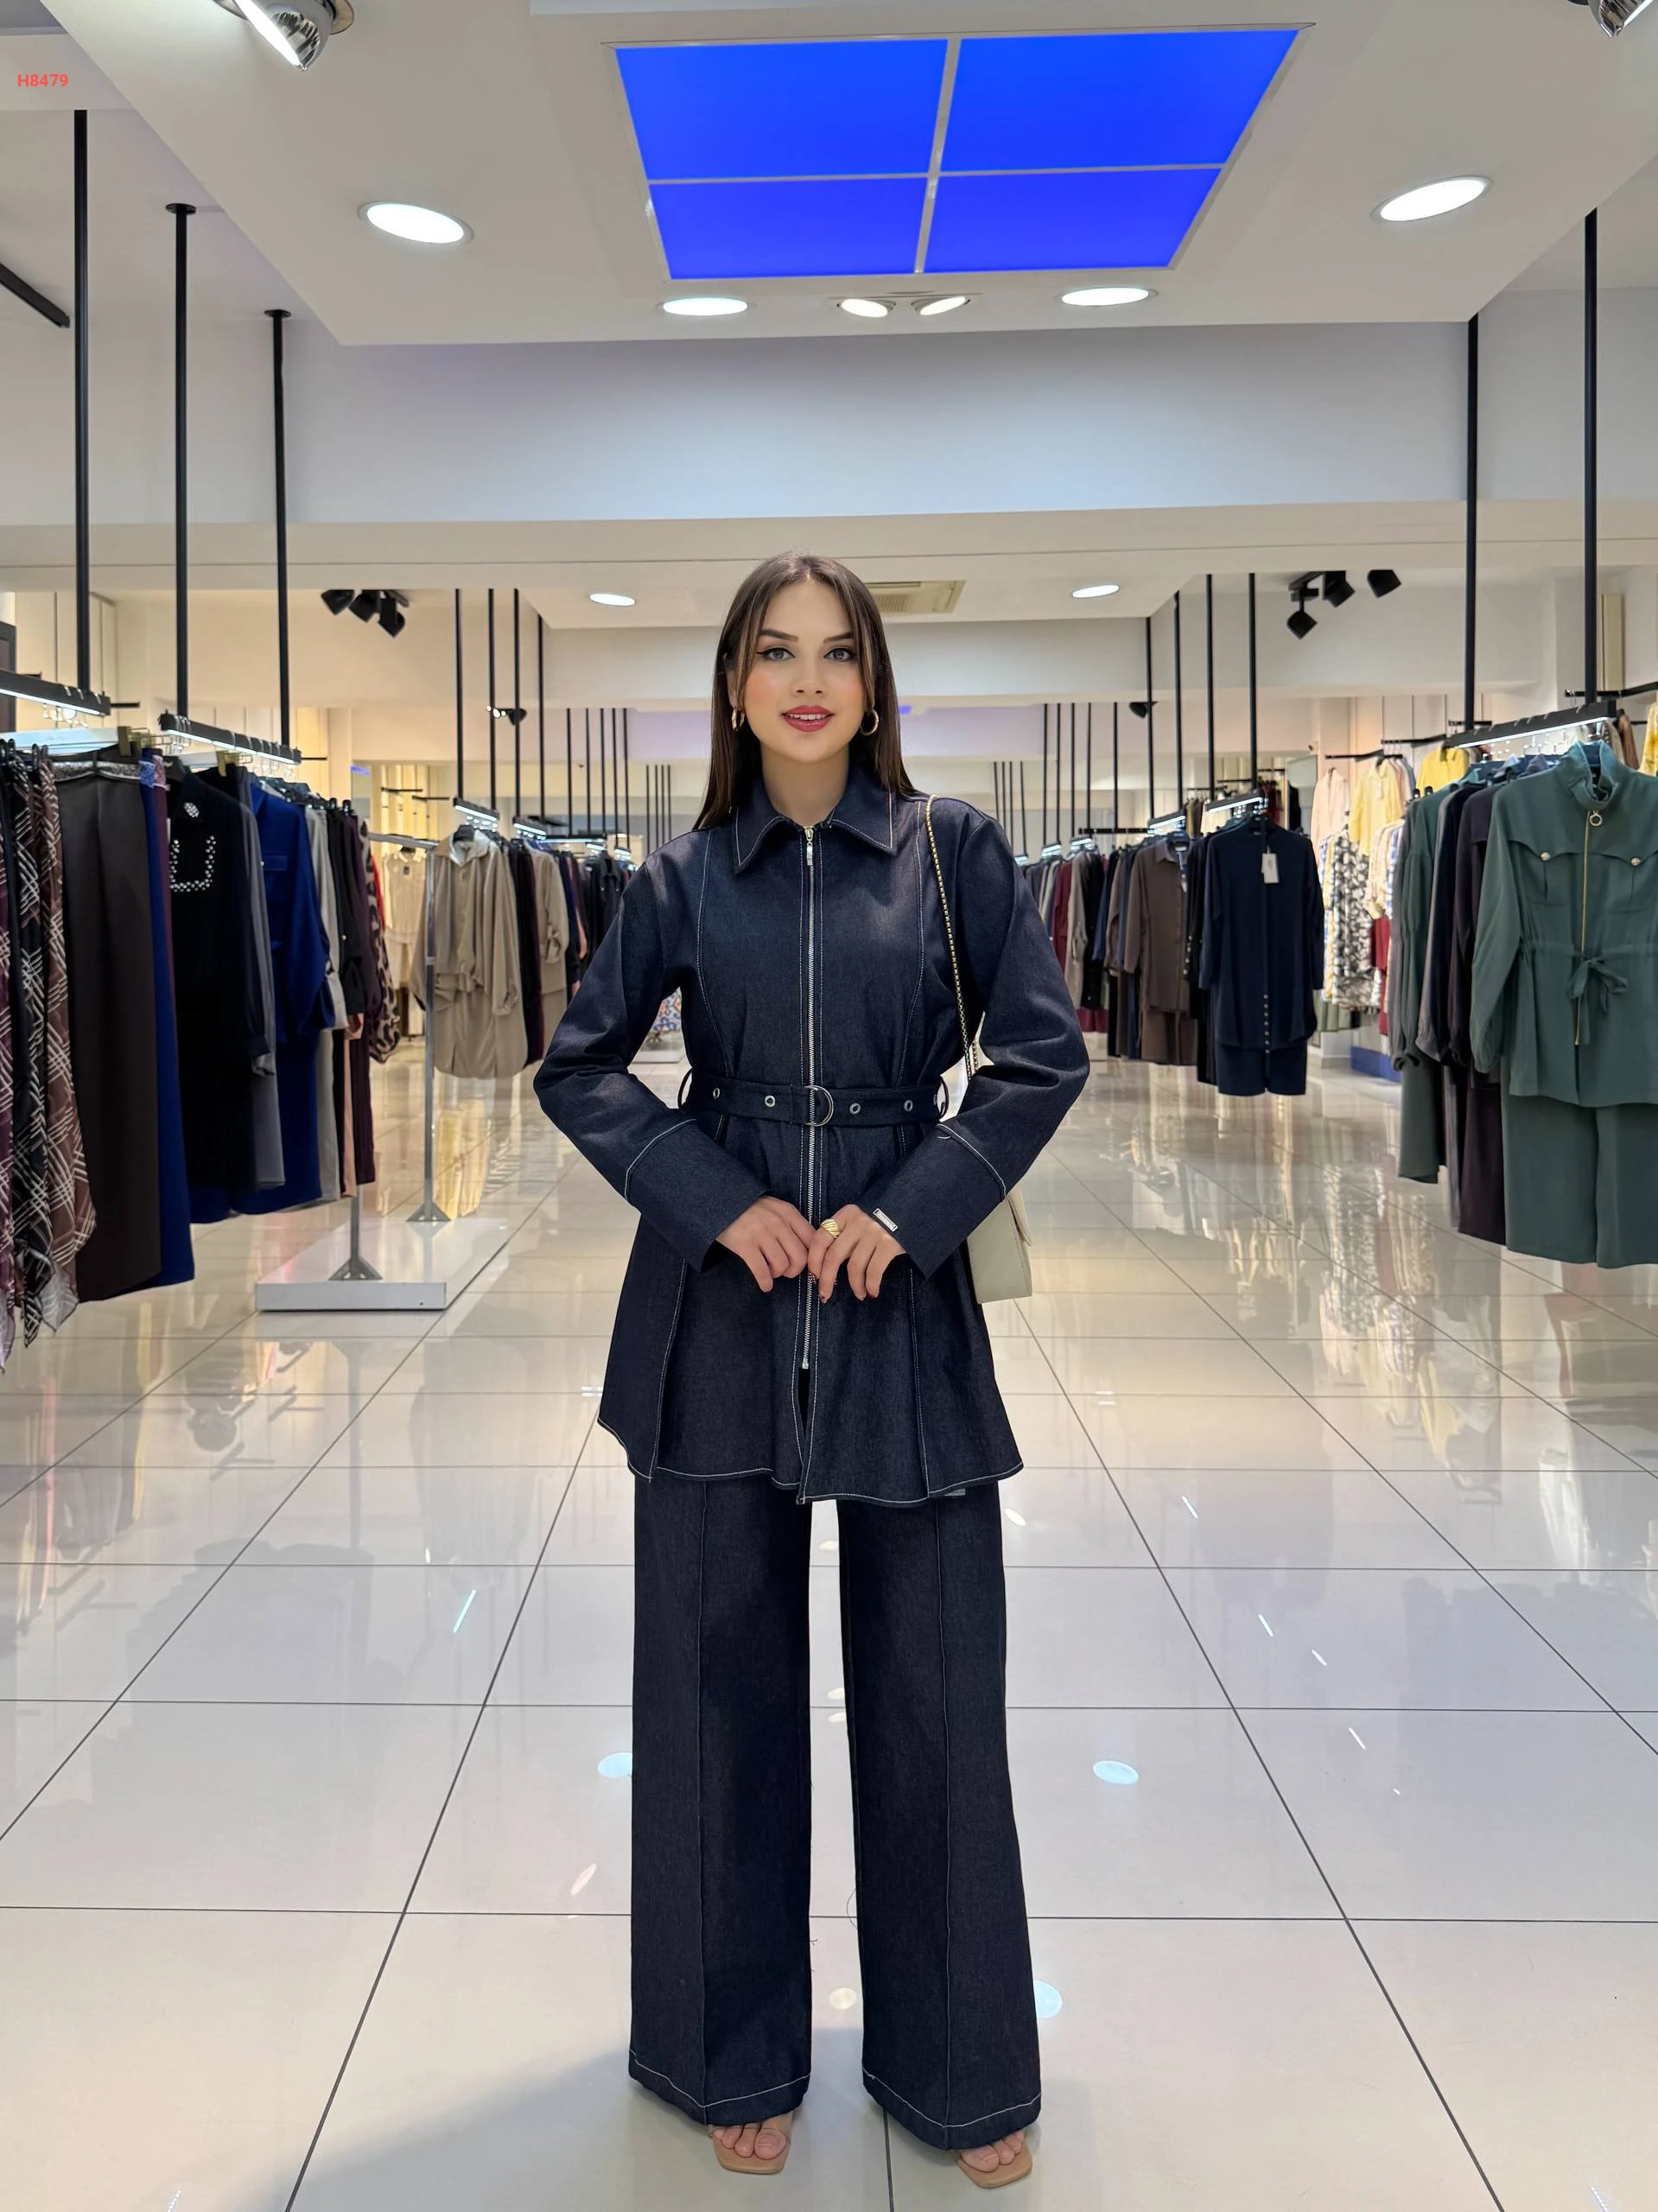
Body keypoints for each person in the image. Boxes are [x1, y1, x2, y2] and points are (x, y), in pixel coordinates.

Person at [534, 552, 1088, 2188]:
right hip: (721, 1306)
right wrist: (717, 1199)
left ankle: (958, 2065)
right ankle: (728, 2053)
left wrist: (911, 1211)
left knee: (936, 1686)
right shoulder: (679, 876)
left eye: (836, 654)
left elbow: (1040, 1055)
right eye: (774, 653)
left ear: (872, 683)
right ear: (731, 683)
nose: (805, 681)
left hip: (899, 1303)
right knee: (716, 1693)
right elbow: (579, 1066)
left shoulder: (951, 853)